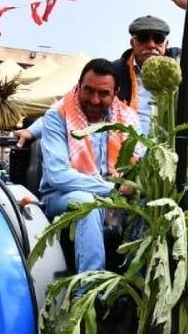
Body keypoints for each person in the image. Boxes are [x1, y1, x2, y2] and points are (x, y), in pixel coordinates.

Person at [17, 0, 188, 145]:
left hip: (178, 155)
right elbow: (70, 103)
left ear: (165, 43)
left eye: (157, 38)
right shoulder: (114, 73)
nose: (151, 44)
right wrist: (31, 131)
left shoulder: (178, 67)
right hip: (130, 156)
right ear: (132, 42)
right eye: (143, 38)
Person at [39, 58, 139, 271]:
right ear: (79, 86)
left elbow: (137, 165)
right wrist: (113, 189)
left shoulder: (128, 119)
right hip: (61, 196)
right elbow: (57, 175)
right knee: (89, 204)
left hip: (117, 197)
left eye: (103, 93)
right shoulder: (57, 115)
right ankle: (89, 293)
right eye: (88, 90)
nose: (94, 100)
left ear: (115, 93)